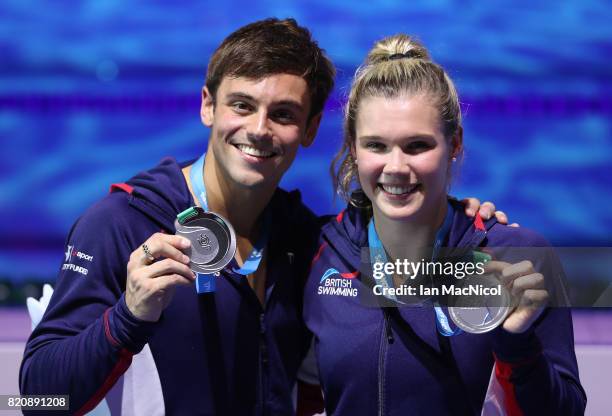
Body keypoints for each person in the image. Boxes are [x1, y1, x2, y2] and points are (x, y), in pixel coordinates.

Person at [20, 19, 505, 415]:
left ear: (312, 128)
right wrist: (128, 318)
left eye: (284, 114)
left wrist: (462, 219)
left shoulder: (309, 242)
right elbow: (35, 398)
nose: (258, 130)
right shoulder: (123, 226)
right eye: (242, 105)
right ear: (208, 105)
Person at [303, 34, 586, 415]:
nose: (396, 167)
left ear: (454, 144)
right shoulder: (318, 251)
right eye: (376, 145)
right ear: (353, 148)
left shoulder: (516, 257)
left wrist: (516, 343)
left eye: (418, 146)